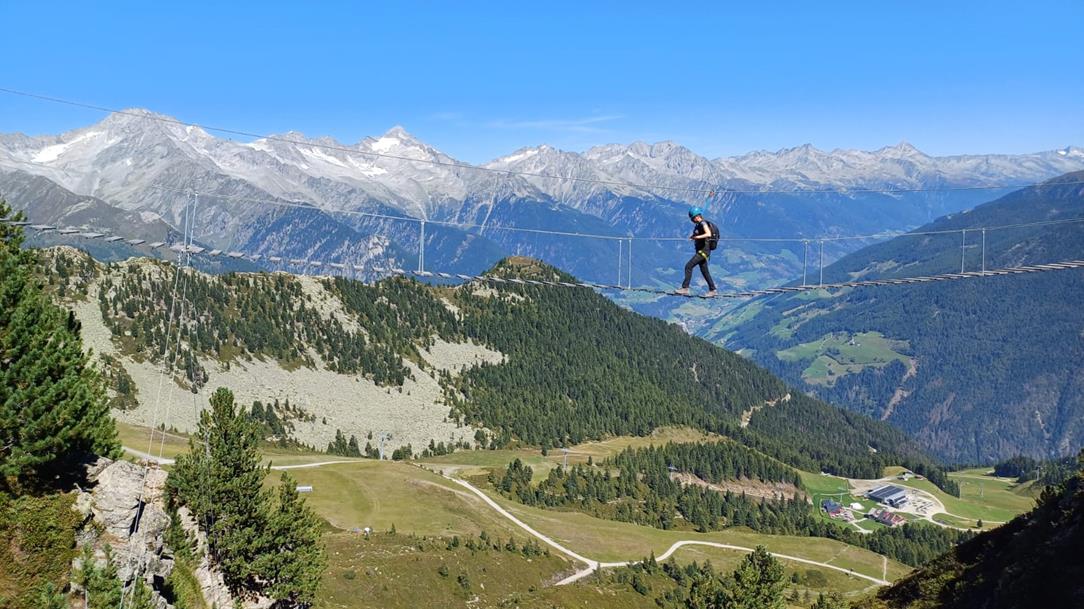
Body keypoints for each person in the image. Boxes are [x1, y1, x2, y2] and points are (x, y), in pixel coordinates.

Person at [676, 206, 717, 296]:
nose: (692, 220)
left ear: (696, 217)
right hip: (703, 251)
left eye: (692, 218)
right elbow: (705, 206)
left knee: (688, 266)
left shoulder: (703, 224)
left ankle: (685, 288)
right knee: (704, 271)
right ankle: (713, 290)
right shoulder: (700, 224)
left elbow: (708, 234)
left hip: (703, 251)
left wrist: (696, 237)